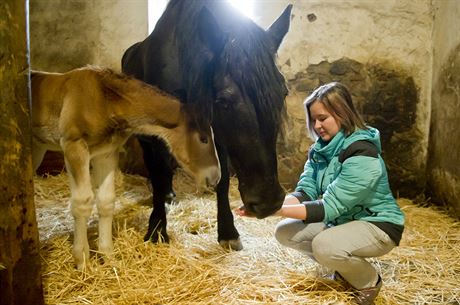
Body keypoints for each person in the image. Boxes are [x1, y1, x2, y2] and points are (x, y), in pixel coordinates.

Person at [235, 82, 405, 305]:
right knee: (285, 232)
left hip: (377, 224)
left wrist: (271, 211)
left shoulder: (361, 151)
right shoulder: (320, 150)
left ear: (342, 114)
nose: (317, 126)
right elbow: (306, 191)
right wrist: (268, 205)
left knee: (325, 246)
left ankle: (368, 281)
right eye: (313, 119)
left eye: (323, 118)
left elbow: (330, 206)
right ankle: (344, 267)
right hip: (343, 221)